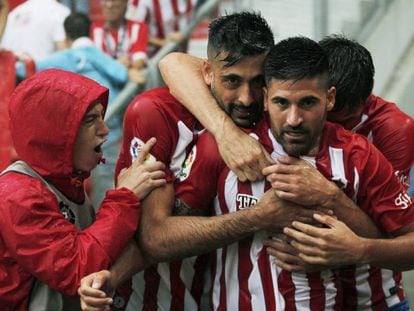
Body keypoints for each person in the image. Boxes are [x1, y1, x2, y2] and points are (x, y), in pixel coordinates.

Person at [78, 19, 378, 311]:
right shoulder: (157, 112)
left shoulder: (277, 116)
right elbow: (154, 239)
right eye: (232, 81)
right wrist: (225, 134)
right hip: (151, 296)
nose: (246, 99)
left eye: (258, 82)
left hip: (217, 293)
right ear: (207, 72)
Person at [263, 35, 414, 310]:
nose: (299, 123)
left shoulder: (392, 131)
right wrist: (226, 134)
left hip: (373, 298)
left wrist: (333, 202)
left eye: (311, 105)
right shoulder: (284, 104)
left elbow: (393, 235)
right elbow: (177, 65)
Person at [0, 69, 166, 310]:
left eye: (101, 116)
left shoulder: (66, 181)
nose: (104, 129)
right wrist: (124, 197)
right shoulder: (17, 195)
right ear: (54, 131)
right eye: (90, 120)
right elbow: (76, 269)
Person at [1, 0, 70, 61]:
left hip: (11, 71)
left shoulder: (14, 13)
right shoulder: (60, 12)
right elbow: (63, 51)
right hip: (42, 72)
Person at [126, 0, 197, 57]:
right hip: (156, 56)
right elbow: (133, 31)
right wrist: (161, 42)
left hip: (185, 50)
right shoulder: (140, 2)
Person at [91, 0, 149, 70]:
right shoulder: (94, 29)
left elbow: (139, 62)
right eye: (105, 0)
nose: (109, 5)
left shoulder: (138, 27)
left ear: (125, 2)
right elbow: (95, 65)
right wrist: (118, 64)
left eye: (114, 1)